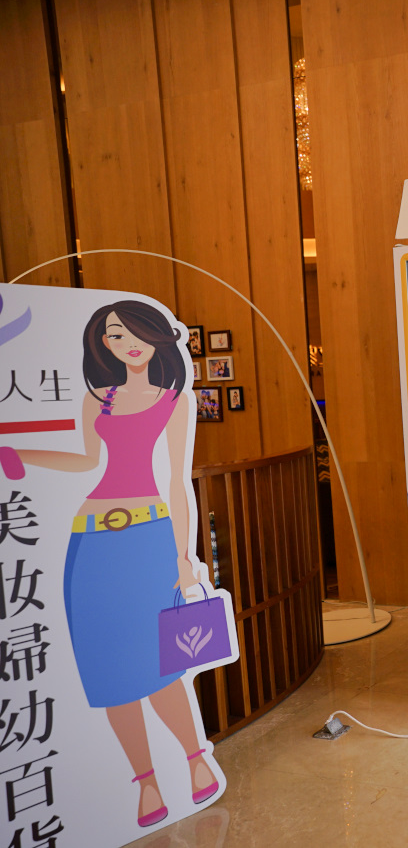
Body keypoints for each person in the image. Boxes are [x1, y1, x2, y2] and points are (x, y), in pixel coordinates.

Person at [2, 301, 218, 828]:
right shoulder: (98, 398)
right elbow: (85, 462)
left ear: (157, 339)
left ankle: (193, 761)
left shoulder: (175, 401)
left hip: (148, 538)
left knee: (160, 662)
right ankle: (145, 783)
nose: (127, 344)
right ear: (102, 345)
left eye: (134, 334)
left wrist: (183, 557)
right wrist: (21, 453)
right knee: (109, 667)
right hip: (90, 542)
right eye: (114, 336)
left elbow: (175, 483)